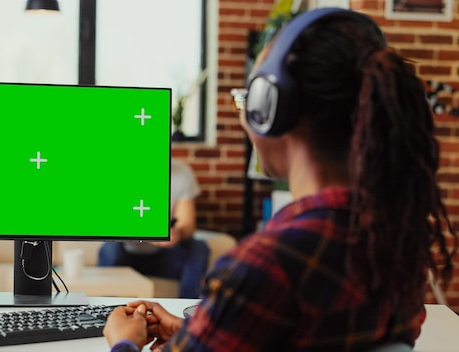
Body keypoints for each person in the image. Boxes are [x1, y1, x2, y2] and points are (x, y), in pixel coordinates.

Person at [103, 8, 456, 352]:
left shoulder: (268, 263)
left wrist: (124, 342)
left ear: (268, 108)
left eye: (247, 99)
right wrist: (194, 333)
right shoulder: (396, 242)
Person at [98, 158, 209, 298]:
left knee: (198, 249)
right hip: (126, 254)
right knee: (109, 248)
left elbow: (187, 224)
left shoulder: (182, 172)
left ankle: (189, 314)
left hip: (166, 255)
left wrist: (177, 233)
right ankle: (106, 310)